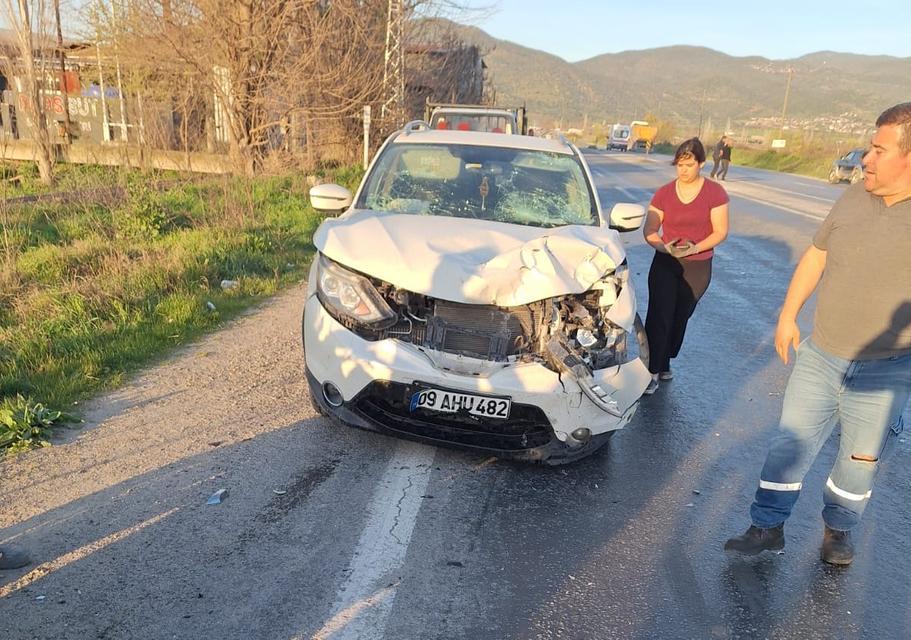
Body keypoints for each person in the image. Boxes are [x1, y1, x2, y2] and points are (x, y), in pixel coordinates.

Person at [724, 102, 911, 566]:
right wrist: (788, 316)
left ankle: (838, 532)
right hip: (821, 354)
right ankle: (767, 527)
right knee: (789, 443)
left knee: (858, 463)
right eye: (869, 147)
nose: (865, 159)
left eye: (878, 150)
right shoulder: (852, 196)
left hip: (886, 371)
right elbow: (815, 255)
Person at [642, 138, 730, 394]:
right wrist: (662, 246)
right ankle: (652, 370)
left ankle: (665, 359)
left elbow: (721, 231)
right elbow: (650, 229)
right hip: (666, 261)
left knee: (680, 315)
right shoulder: (664, 193)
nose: (683, 170)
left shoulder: (715, 193)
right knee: (660, 314)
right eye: (679, 164)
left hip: (698, 265)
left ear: (701, 164)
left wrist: (696, 247)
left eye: (689, 164)